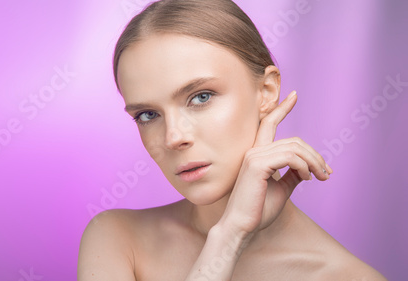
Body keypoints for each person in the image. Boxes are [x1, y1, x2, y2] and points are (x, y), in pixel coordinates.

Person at [78, 0, 387, 280]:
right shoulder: (117, 238)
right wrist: (230, 234)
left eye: (201, 97)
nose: (173, 137)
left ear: (266, 91)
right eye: (147, 115)